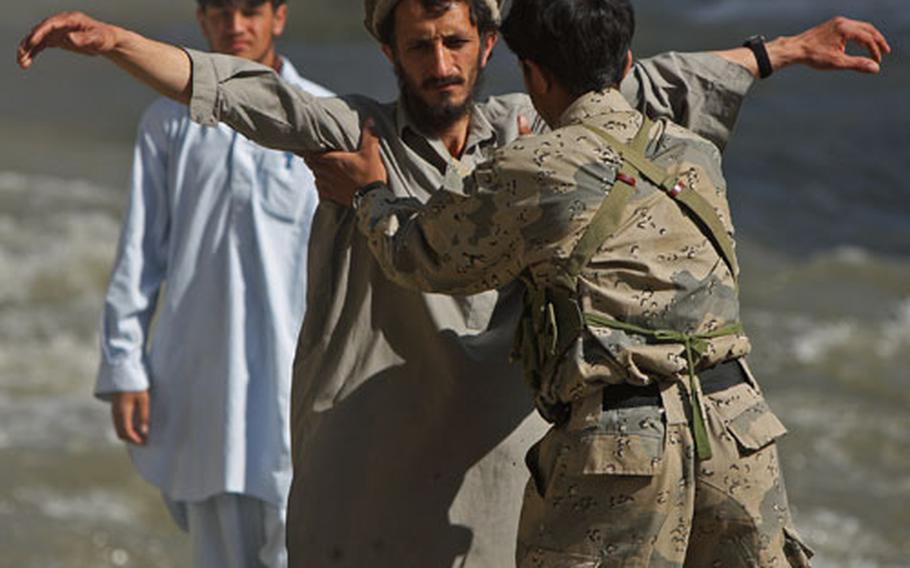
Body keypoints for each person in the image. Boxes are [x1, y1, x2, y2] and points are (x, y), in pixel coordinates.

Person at [15, 2, 888, 565]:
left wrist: (782, 50)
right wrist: (118, 43)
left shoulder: (527, 133)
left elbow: (650, 80)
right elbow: (246, 93)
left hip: (509, 453)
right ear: (389, 50)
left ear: (491, 45)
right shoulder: (357, 130)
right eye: (419, 45)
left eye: (456, 41)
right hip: (371, 435)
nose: (439, 63)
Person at [311, 0, 890, 565]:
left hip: (624, 445)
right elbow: (681, 82)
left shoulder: (533, 165)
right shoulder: (693, 152)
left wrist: (369, 195)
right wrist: (778, 51)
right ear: (628, 62)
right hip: (738, 427)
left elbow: (422, 257)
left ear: (534, 75)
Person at [91, 1, 331, 566]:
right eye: (221, 10)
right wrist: (126, 365)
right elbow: (140, 253)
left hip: (297, 381)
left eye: (251, 10)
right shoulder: (167, 124)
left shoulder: (321, 118)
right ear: (201, 19)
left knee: (308, 543)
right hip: (204, 384)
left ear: (280, 15)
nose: (236, 25)